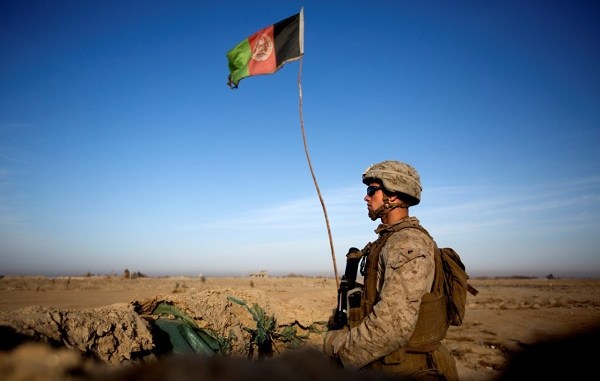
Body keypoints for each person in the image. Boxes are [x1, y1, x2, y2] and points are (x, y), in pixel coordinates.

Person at [324, 160, 459, 381]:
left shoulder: (407, 243)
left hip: (406, 369)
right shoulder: (390, 240)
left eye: (372, 190)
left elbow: (393, 325)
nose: (366, 197)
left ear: (393, 196)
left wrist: (339, 349)